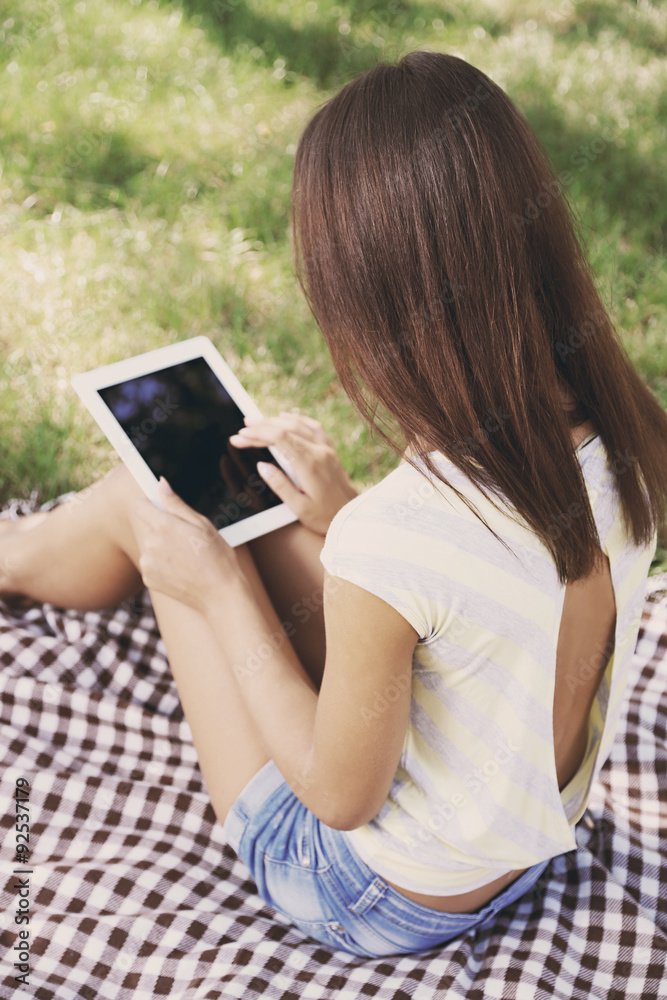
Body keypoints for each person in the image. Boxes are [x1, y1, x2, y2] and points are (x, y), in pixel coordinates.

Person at [2, 49, 666, 959]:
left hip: (371, 895)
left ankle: (16, 552)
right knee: (229, 511)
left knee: (148, 505)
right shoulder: (627, 436)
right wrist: (342, 507)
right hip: (518, 843)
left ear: (361, 296)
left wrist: (220, 594)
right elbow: (469, 594)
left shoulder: (395, 536)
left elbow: (337, 795)